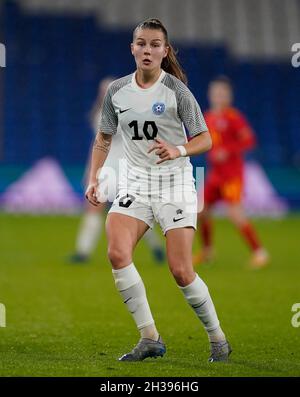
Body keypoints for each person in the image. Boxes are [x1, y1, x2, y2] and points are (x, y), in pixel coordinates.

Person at [85, 18, 231, 362]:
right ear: (132, 48)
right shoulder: (117, 91)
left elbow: (205, 138)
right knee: (117, 253)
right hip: (136, 183)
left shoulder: (177, 90)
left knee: (180, 270)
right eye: (141, 43)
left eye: (154, 44)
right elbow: (103, 138)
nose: (147, 50)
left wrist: (177, 150)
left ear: (165, 52)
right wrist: (95, 178)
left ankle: (217, 337)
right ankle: (149, 337)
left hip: (176, 183)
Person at [68, 78, 165, 264]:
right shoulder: (106, 114)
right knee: (97, 207)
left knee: (132, 210)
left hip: (122, 167)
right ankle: (83, 251)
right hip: (108, 167)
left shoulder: (118, 114)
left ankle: (156, 247)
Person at [193, 76, 270, 269]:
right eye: (215, 92)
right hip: (215, 176)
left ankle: (260, 252)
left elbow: (249, 140)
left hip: (232, 176)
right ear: (210, 94)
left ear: (229, 96)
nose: (218, 96)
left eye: (222, 93)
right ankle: (208, 251)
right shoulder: (208, 117)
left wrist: (227, 150)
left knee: (235, 214)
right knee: (200, 211)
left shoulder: (234, 118)